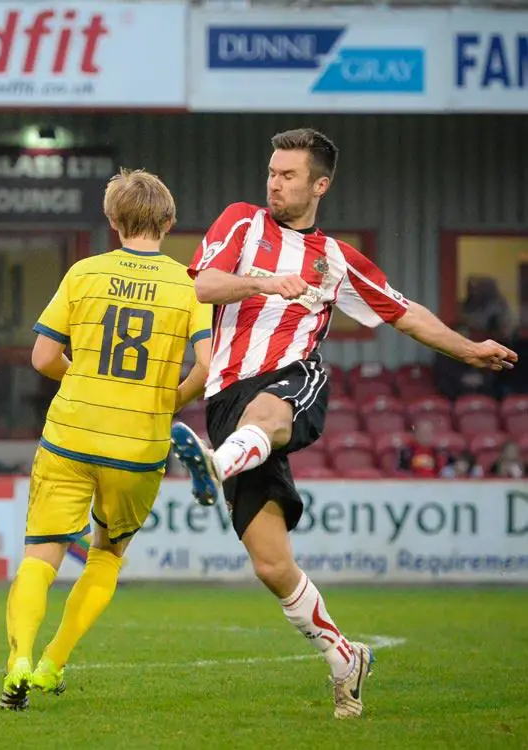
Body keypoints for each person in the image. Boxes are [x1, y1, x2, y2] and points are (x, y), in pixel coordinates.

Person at [169, 128, 518, 720]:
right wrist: (263, 281)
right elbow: (201, 283)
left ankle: (214, 460)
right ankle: (343, 656)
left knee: (267, 414)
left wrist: (467, 350)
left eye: (288, 175)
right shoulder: (242, 223)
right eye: (272, 172)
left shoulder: (335, 261)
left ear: (319, 184)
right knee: (271, 564)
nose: (274, 183)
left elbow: (404, 313)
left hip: (292, 380)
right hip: (226, 396)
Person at [0, 169, 212, 711]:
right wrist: (167, 401)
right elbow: (207, 368)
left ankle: (18, 660)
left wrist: (84, 379)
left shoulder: (83, 273)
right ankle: (53, 663)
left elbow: (43, 358)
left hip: (70, 434)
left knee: (39, 559)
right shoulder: (192, 284)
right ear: (169, 222)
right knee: (106, 555)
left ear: (113, 220)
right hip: (138, 445)